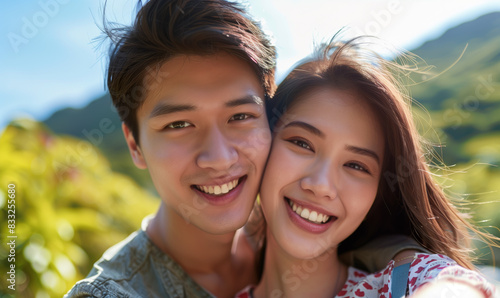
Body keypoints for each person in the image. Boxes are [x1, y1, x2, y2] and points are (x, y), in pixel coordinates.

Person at [65, 1, 426, 297]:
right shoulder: (112, 293)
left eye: (239, 116)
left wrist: (414, 263)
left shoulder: (292, 227)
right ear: (135, 146)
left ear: (270, 122)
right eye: (179, 125)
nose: (220, 158)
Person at [236, 37, 497, 297]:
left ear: (377, 192)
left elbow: (454, 287)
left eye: (356, 165)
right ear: (265, 142)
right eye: (302, 144)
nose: (321, 185)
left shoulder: (400, 284)